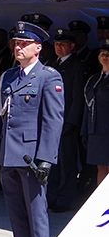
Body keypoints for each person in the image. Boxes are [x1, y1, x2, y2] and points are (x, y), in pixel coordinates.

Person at [0, 21, 64, 237]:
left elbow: (53, 121)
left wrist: (46, 159)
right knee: (15, 210)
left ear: (38, 48)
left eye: (24, 44)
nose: (18, 48)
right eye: (16, 43)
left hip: (31, 156)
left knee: (36, 209)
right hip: (9, 153)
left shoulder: (48, 77)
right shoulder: (8, 76)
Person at [45, 28, 86, 212]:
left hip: (65, 122)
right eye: (56, 44)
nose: (59, 47)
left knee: (67, 163)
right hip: (50, 121)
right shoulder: (51, 64)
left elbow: (78, 97)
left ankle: (64, 199)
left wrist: (72, 121)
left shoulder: (77, 66)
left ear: (72, 46)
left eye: (63, 44)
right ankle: (51, 196)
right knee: (51, 163)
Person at [83, 43, 109, 187]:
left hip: (107, 129)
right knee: (100, 167)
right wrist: (85, 130)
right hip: (96, 130)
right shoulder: (94, 79)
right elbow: (88, 107)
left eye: (108, 54)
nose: (104, 57)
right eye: (102, 54)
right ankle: (102, 203)